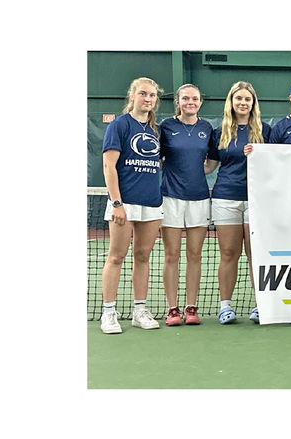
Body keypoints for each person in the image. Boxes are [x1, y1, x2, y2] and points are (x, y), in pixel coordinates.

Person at [100, 77, 164, 334]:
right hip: (124, 204)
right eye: (143, 94)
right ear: (133, 96)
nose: (147, 99)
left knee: (143, 257)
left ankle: (139, 310)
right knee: (116, 257)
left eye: (152, 95)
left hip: (151, 204)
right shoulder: (119, 125)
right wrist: (117, 203)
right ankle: (108, 313)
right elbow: (109, 166)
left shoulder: (154, 130)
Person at [207, 81, 271, 324]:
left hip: (256, 199)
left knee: (255, 254)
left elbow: (275, 163)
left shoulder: (265, 130)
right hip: (225, 198)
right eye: (239, 99)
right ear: (231, 102)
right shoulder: (219, 132)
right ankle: (225, 307)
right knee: (228, 253)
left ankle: (260, 305)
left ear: (253, 103)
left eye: (247, 99)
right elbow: (209, 166)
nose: (243, 103)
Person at [158, 84, 214, 326]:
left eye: (195, 99)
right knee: (171, 255)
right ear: (178, 102)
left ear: (200, 102)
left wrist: (195, 172)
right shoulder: (165, 127)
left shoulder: (207, 128)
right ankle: (173, 309)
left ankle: (191, 307)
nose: (190, 102)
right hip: (170, 197)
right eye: (185, 98)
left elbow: (211, 163)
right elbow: (157, 158)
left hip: (199, 198)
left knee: (195, 255)